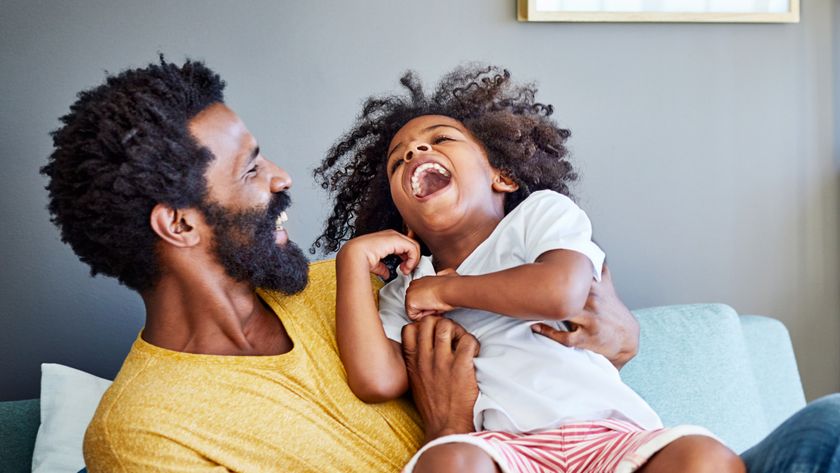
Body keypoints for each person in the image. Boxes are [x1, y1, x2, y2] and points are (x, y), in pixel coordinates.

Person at [40, 57, 839, 472]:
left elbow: (581, 316)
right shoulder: (145, 435)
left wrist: (616, 330)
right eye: (251, 169)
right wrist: (450, 429)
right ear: (178, 223)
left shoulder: (346, 284)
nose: (282, 178)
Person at [316, 65, 743, 473]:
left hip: (607, 432)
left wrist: (447, 292)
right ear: (405, 221)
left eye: (441, 139)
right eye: (398, 161)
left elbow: (560, 291)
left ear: (502, 177)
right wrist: (350, 261)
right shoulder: (404, 289)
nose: (415, 152)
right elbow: (377, 381)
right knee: (446, 463)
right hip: (505, 449)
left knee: (704, 456)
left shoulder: (539, 218)